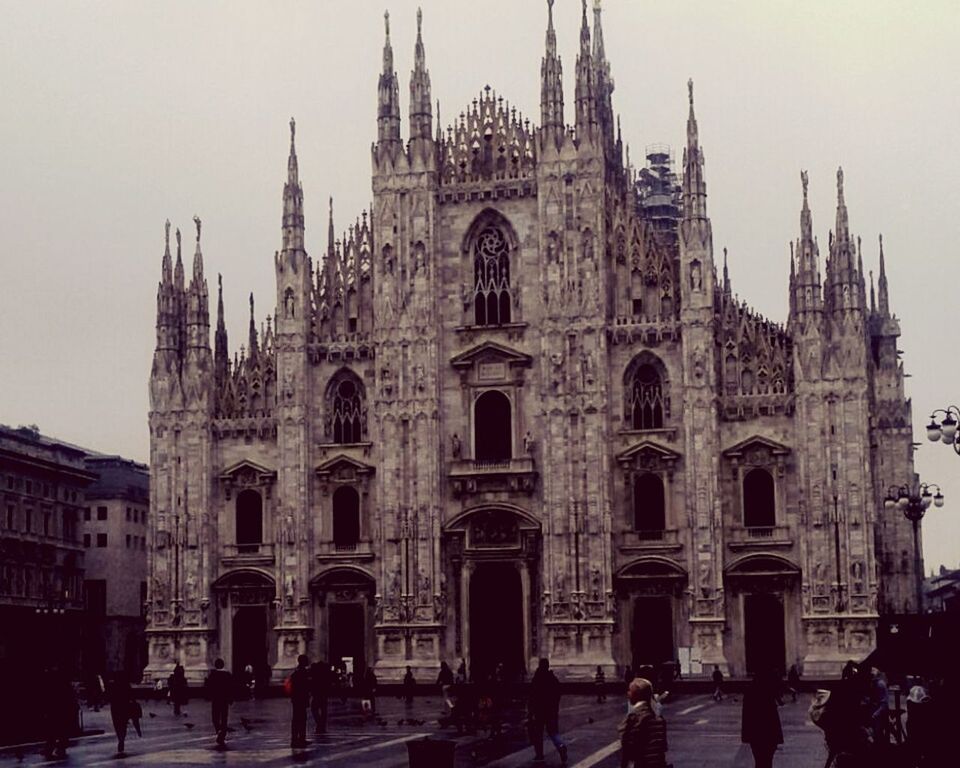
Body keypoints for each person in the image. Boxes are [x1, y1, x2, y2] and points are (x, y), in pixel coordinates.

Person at [619, 677, 668, 768]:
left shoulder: (634, 718)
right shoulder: (659, 719)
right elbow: (663, 748)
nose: (628, 693)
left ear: (637, 695)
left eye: (630, 691)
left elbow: (629, 749)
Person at [528, 658, 568, 766]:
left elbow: (532, 696)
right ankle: (561, 746)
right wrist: (554, 707)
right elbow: (558, 694)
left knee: (538, 733)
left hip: (539, 711)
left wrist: (530, 711)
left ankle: (539, 755)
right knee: (553, 732)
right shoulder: (553, 679)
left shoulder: (537, 678)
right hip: (551, 711)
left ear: (540, 666)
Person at [741, 669, 784, 768]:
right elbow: (773, 719)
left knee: (759, 762)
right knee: (767, 762)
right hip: (768, 735)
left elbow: (746, 717)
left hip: (755, 735)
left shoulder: (750, 690)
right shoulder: (768, 692)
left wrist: (746, 736)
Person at [41, 666, 75, 759]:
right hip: (58, 702)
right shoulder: (57, 676)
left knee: (56, 724)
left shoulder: (57, 676)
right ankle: (56, 746)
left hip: (59, 701)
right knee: (56, 724)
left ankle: (55, 746)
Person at [205, 658, 233, 747]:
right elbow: (231, 687)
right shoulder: (227, 674)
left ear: (215, 665)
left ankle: (218, 729)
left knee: (215, 717)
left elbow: (209, 687)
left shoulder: (213, 675)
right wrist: (230, 698)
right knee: (224, 717)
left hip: (216, 699)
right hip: (224, 699)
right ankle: (222, 733)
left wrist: (208, 697)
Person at [108, 671, 135, 756]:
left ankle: (120, 737)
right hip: (124, 706)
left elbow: (109, 696)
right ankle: (122, 738)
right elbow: (131, 695)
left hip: (115, 707)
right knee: (123, 724)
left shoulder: (112, 685)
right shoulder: (126, 684)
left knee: (117, 724)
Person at [289, 654, 311, 748]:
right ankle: (300, 739)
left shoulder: (296, 672)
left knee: (297, 719)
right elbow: (305, 686)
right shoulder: (303, 672)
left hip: (296, 698)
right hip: (300, 698)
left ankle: (296, 739)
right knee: (301, 719)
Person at [310, 661, 330, 734]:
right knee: (324, 711)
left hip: (316, 694)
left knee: (314, 709)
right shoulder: (325, 675)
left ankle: (319, 724)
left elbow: (312, 684)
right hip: (324, 694)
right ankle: (322, 727)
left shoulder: (315, 675)